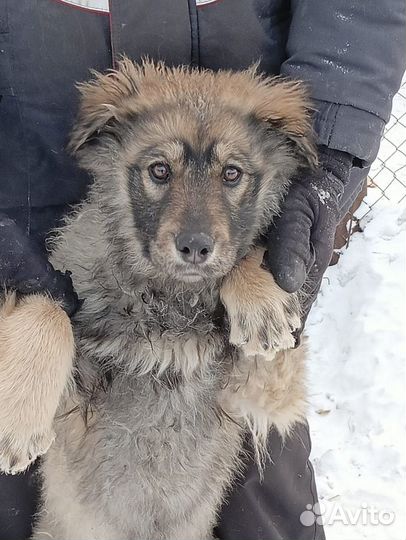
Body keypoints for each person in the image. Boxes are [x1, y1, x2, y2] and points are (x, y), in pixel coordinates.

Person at [0, 1, 404, 539]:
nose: (194, 236)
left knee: (267, 506)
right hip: (30, 135)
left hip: (242, 61)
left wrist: (328, 154)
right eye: (162, 173)